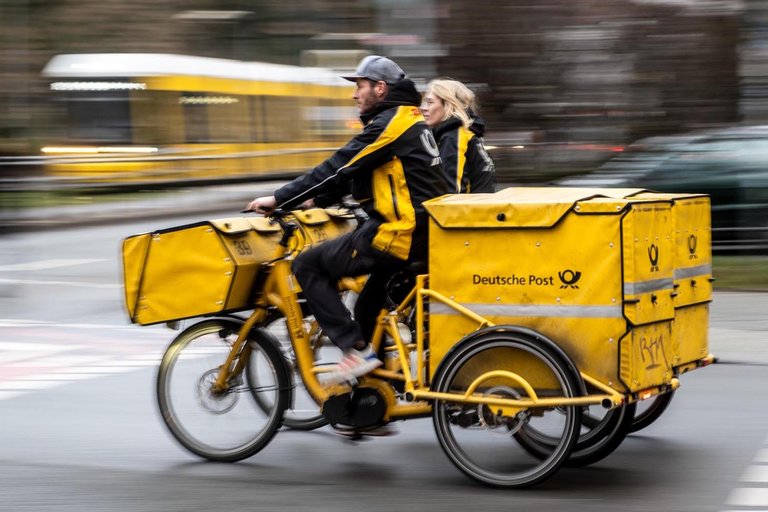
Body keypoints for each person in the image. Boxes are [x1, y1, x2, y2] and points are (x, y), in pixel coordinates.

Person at [246, 55, 451, 384]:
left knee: (308, 265)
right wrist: (318, 198)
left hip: (400, 233)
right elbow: (361, 172)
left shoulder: (391, 124)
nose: (355, 94)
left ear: (380, 88)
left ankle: (357, 352)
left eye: (360, 86)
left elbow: (339, 166)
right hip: (424, 233)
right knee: (368, 307)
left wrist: (279, 198)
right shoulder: (407, 119)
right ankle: (376, 399)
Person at [421, 78, 496, 193]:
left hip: (468, 209)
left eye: (430, 102)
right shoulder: (466, 132)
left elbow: (453, 191)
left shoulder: (453, 137)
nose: (424, 108)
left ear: (448, 105)